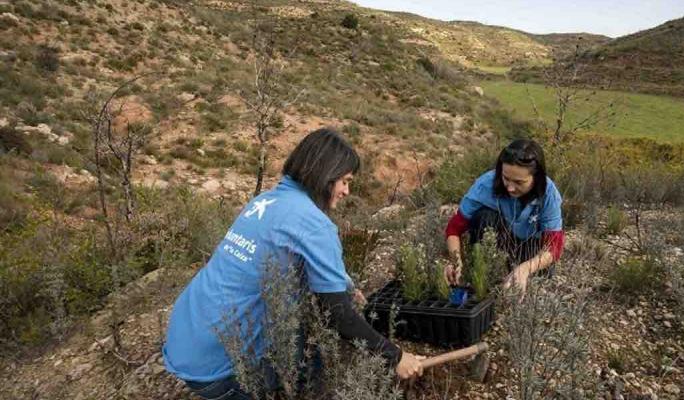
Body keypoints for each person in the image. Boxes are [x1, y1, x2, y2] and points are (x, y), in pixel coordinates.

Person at [163, 128, 423, 399]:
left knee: (302, 340)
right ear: (325, 174)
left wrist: (344, 284)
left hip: (184, 336)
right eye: (345, 181)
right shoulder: (314, 223)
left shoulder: (266, 201)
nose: (347, 191)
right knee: (311, 355)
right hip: (217, 367)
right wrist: (395, 356)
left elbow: (292, 251)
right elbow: (337, 314)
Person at [443, 139, 565, 295]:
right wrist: (456, 261)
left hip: (530, 245)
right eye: (506, 178)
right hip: (497, 241)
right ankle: (483, 275)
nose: (511, 188)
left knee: (539, 279)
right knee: (484, 217)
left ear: (536, 178)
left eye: (519, 182)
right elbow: (454, 228)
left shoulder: (549, 194)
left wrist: (525, 268)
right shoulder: (485, 185)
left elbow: (555, 246)